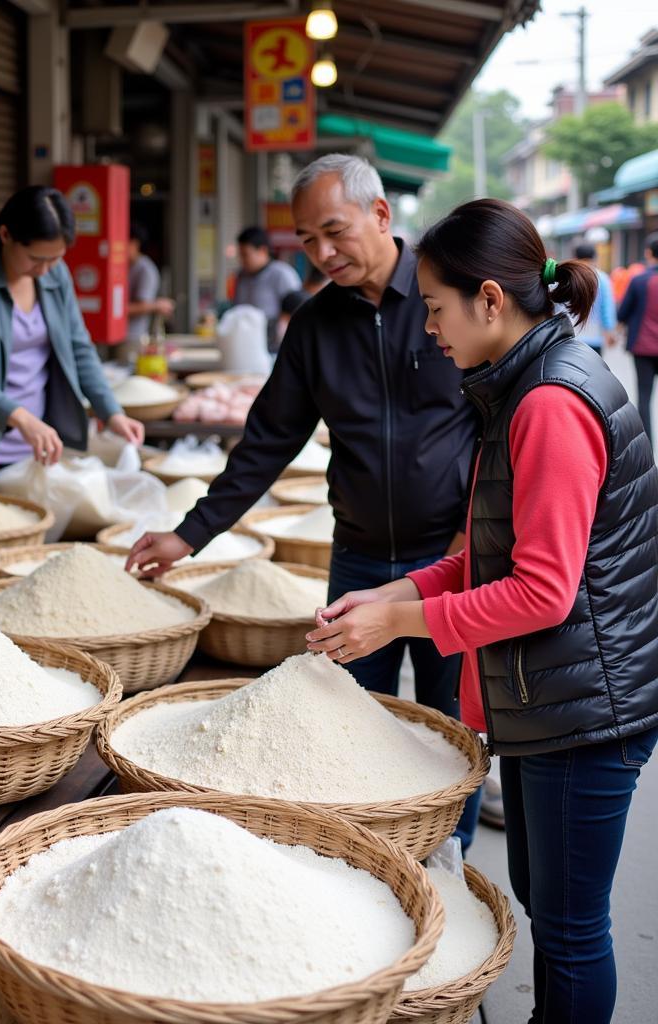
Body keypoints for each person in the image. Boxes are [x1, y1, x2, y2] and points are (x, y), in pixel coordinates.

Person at [307, 197, 658, 1024]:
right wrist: (390, 595)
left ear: (490, 301)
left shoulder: (549, 405)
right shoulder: (519, 386)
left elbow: (542, 591)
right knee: (546, 897)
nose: (429, 329)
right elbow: (481, 559)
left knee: (571, 932)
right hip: (558, 698)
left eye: (435, 309)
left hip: (588, 711)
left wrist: (396, 626)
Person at [127, 153, 482, 848]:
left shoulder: (452, 300)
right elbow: (266, 442)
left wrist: (472, 540)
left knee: (452, 731)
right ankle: (366, 859)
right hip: (356, 563)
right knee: (341, 724)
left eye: (333, 232)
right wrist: (188, 535)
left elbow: (498, 433)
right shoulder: (315, 326)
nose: (321, 254)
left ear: (381, 215)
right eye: (306, 240)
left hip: (451, 559)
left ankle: (450, 860)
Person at [0, 186, 144, 486]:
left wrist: (111, 411)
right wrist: (22, 419)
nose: (45, 269)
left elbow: (79, 347)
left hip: (34, 445)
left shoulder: (55, 273)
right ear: (5, 235)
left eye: (55, 259)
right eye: (36, 258)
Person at [231, 225, 302, 351]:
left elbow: (296, 307)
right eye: (240, 255)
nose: (242, 260)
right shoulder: (241, 276)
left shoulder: (281, 274)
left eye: (246, 255)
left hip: (274, 343)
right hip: (245, 341)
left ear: (262, 251)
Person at [617, 234, 658, 444]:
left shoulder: (640, 280)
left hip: (643, 347)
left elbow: (623, 312)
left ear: (649, 253)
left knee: (644, 396)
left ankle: (648, 445)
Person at [126, 221, 174, 350]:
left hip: (133, 336)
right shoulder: (122, 266)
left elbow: (141, 306)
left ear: (134, 243)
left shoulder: (145, 269)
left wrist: (115, 311)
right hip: (118, 335)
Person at [571, 242, 616, 353]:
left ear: (575, 257)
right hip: (594, 337)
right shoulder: (602, 278)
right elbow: (607, 307)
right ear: (594, 257)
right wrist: (610, 331)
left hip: (571, 336)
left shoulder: (568, 276)